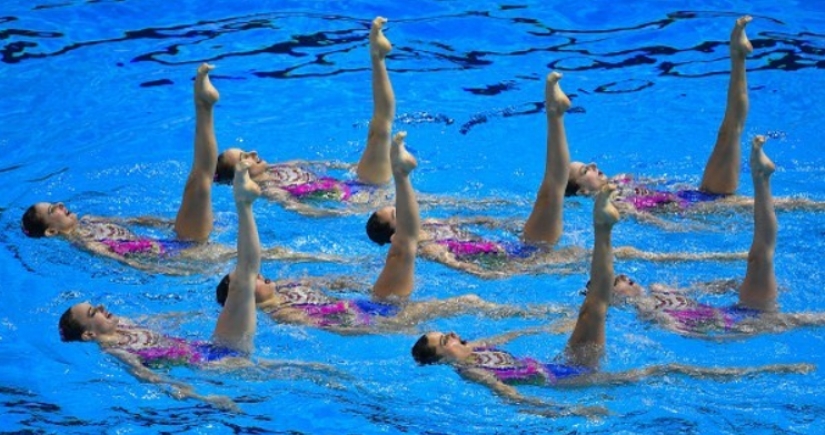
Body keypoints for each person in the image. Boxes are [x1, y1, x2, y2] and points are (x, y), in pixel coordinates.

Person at [410, 181, 813, 415]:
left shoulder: (477, 349)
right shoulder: (471, 371)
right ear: (440, 359)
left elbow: (512, 336)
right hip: (571, 380)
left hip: (561, 362)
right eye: (443, 341)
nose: (452, 336)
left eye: (447, 333)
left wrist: (548, 324)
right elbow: (515, 396)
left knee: (591, 308)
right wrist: (568, 411)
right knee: (665, 368)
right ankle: (776, 369)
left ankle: (603, 230)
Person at [367, 73, 747, 278]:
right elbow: (461, 264)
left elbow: (474, 222)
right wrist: (492, 275)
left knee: (554, 198)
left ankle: (556, 112)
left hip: (519, 244)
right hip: (516, 258)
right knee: (549, 193)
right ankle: (554, 113)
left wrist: (494, 218)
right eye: (395, 214)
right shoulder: (422, 244)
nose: (402, 209)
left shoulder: (433, 223)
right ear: (394, 233)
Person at [216, 132, 570, 334]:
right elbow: (338, 327)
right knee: (419, 260)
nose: (259, 274)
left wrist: (347, 278)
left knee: (458, 296)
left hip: (371, 301)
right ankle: (543, 320)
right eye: (251, 278)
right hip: (373, 316)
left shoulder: (288, 287)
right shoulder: (278, 312)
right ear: (242, 296)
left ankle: (541, 316)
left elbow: (332, 284)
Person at [56, 156, 335, 411]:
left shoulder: (126, 322)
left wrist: (197, 315)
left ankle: (244, 205)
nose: (102, 306)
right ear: (89, 335)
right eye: (93, 313)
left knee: (247, 284)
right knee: (243, 280)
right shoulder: (117, 350)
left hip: (212, 346)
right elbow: (153, 379)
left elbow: (167, 323)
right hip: (216, 365)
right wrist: (205, 398)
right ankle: (243, 205)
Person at [20, 64, 339, 275]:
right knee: (202, 185)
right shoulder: (81, 241)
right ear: (51, 230)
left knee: (204, 189)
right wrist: (168, 268)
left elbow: (135, 224)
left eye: (56, 204)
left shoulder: (90, 220)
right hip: (175, 255)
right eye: (54, 210)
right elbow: (124, 260)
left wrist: (163, 223)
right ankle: (203, 107)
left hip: (175, 240)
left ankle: (204, 107)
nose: (61, 205)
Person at [564, 16, 825, 224]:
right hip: (698, 207)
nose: (593, 164)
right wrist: (689, 224)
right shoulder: (611, 203)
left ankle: (738, 57)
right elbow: (650, 220)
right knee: (780, 204)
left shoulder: (620, 180)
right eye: (584, 170)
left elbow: (657, 187)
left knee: (729, 131)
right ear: (582, 192)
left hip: (696, 193)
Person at [598, 136, 825, 337]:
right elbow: (683, 332)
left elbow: (702, 288)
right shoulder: (645, 311)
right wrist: (718, 337)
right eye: (618, 282)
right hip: (734, 326)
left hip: (736, 312)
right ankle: (761, 179)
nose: (625, 276)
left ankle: (761, 179)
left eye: (620, 275)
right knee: (762, 260)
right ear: (614, 299)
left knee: (759, 256)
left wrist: (729, 284)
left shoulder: (660, 288)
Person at [213, 17, 396, 218]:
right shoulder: (269, 189)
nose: (254, 153)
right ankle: (377, 56)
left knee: (379, 129)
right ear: (240, 175)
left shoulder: (280, 166)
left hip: (357, 184)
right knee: (381, 132)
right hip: (359, 201)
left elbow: (320, 164)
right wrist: (350, 212)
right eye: (244, 157)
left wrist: (349, 167)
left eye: (247, 151)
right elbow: (299, 209)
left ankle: (377, 57)